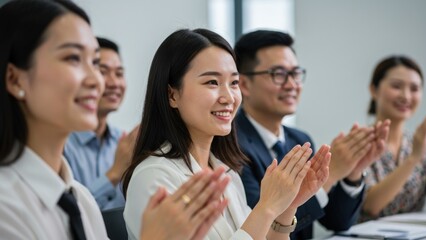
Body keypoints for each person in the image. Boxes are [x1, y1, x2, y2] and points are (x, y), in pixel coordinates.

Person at [0, 1, 231, 239]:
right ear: (16, 79)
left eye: (94, 62)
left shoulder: (80, 199)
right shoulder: (6, 207)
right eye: (72, 58)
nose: (97, 81)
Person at [122, 28, 332, 240]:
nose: (229, 97)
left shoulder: (227, 173)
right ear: (172, 94)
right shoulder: (152, 177)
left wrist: (288, 206)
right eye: (212, 82)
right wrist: (267, 206)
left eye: (233, 83)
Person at [234, 30, 390, 239]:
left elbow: (337, 221)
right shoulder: (231, 144)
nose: (292, 85)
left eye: (296, 74)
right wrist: (332, 173)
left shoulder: (299, 139)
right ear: (244, 84)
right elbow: (259, 228)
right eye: (278, 74)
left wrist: (353, 172)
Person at [360, 55, 426, 221]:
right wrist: (413, 159)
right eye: (396, 86)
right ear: (374, 90)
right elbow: (370, 206)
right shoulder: (359, 142)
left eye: (414, 89)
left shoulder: (418, 143)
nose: (406, 96)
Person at [64, 36, 137, 210]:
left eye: (119, 73)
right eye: (103, 72)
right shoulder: (62, 145)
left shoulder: (125, 141)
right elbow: (65, 214)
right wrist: (115, 173)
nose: (114, 83)